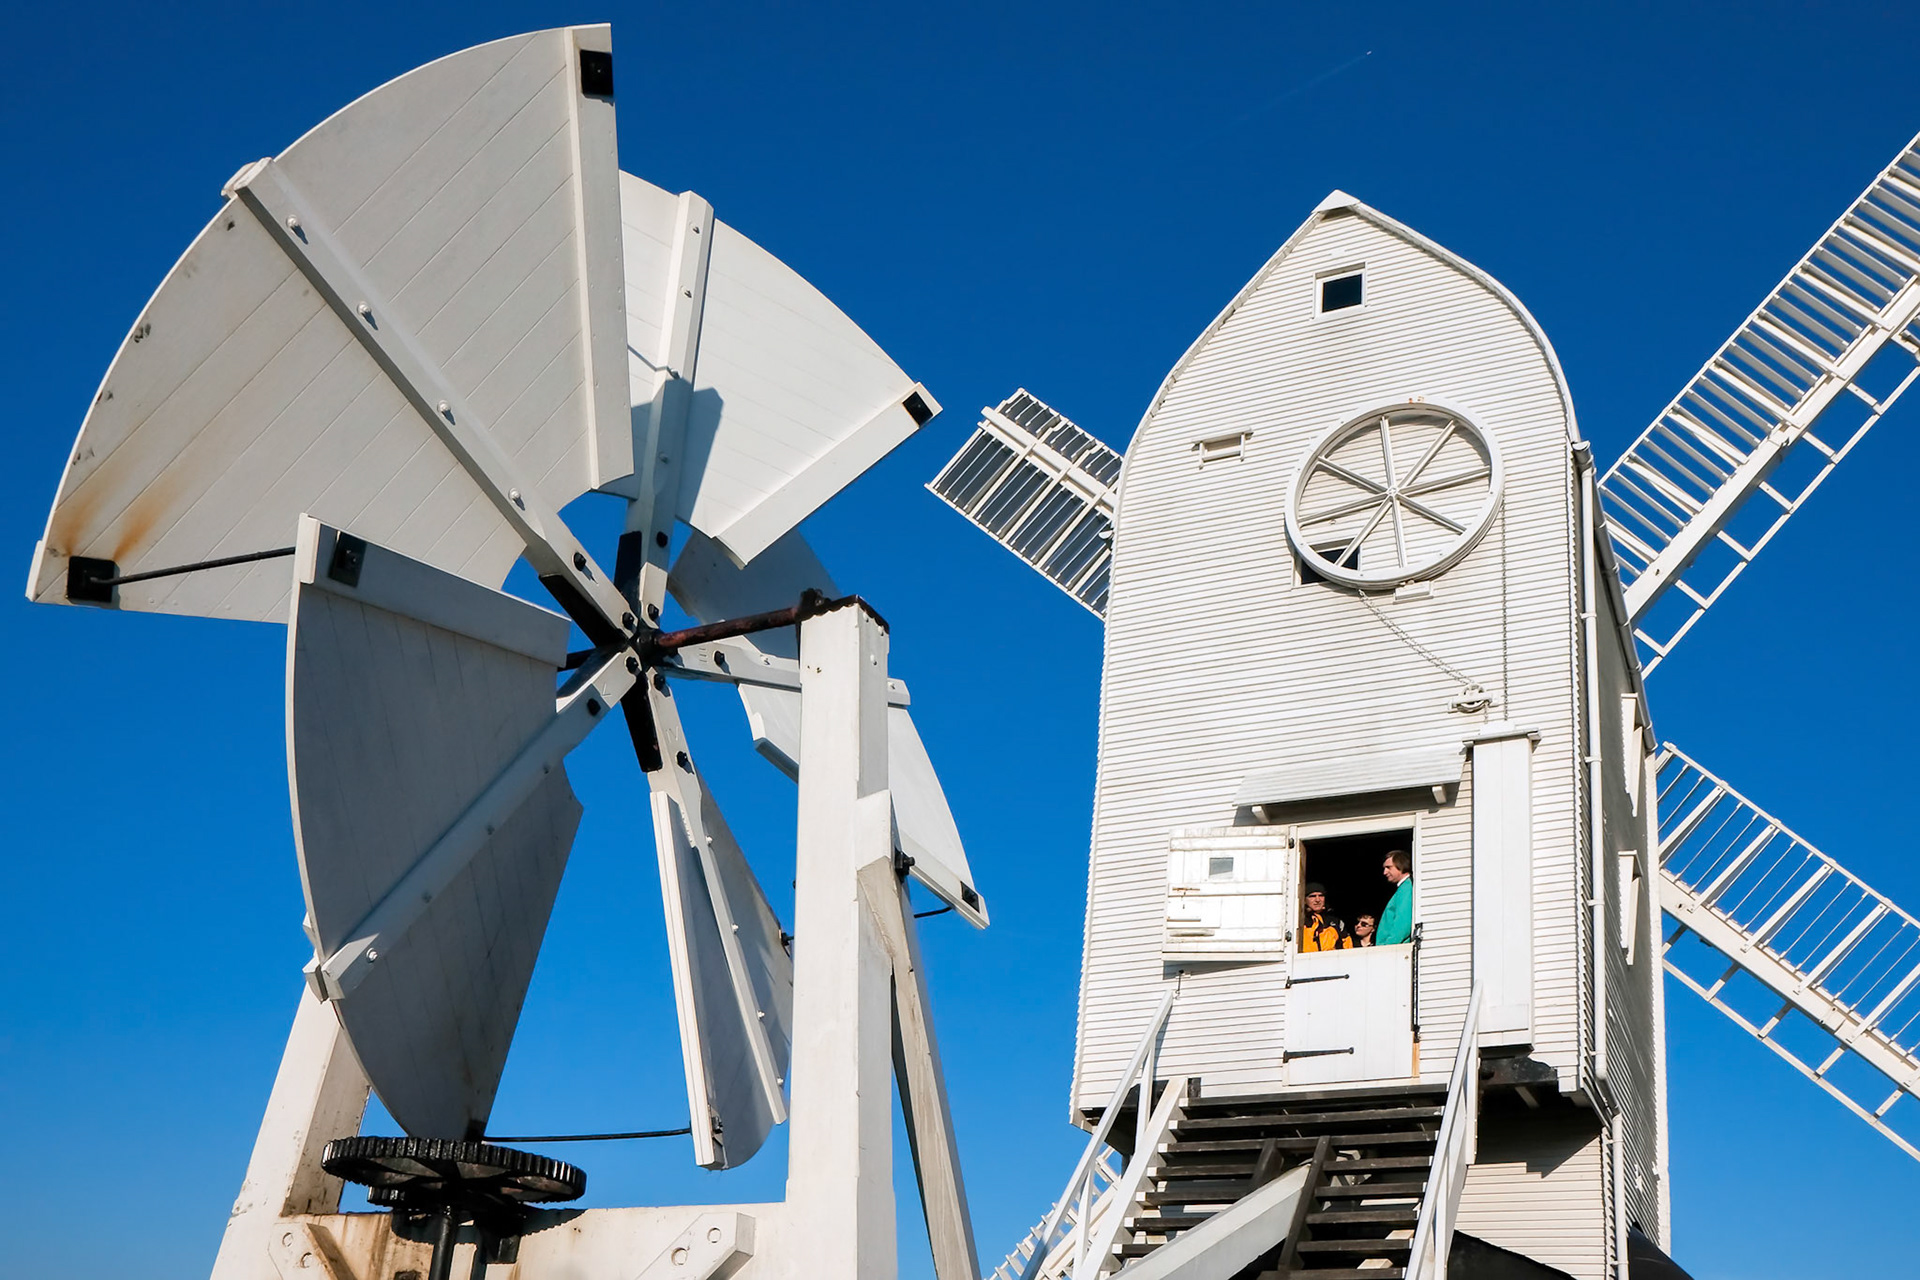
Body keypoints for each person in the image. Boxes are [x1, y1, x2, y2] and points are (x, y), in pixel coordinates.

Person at [1376, 849, 1413, 945]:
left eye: (1388, 867)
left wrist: (1388, 946)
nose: (1385, 872)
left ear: (1401, 866)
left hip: (1393, 951)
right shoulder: (1403, 888)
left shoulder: (1406, 888)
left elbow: (1403, 923)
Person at [1299, 882, 1346, 951]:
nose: (1317, 900)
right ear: (1305, 900)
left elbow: (1347, 947)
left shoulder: (1336, 923)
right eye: (1312, 896)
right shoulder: (1299, 921)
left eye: (1321, 896)